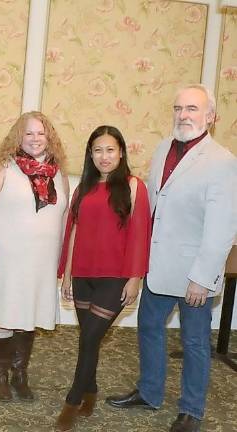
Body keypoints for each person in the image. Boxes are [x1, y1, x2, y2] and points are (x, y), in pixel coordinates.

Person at [106, 85, 237, 432]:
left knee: (194, 342)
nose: (183, 115)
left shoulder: (224, 162)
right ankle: (149, 393)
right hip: (159, 266)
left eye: (192, 109)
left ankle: (191, 410)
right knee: (148, 327)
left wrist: (203, 276)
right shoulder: (165, 147)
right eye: (178, 108)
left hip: (194, 274)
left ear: (210, 116)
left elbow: (222, 228)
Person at [54, 125, 151, 431]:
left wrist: (135, 277)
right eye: (98, 150)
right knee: (89, 339)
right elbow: (74, 232)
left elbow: (139, 235)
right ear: (90, 154)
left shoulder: (135, 187)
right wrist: (67, 275)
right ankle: (92, 391)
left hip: (115, 278)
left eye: (110, 150)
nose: (104, 156)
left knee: (89, 337)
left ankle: (72, 400)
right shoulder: (83, 188)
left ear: (121, 152)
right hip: (83, 274)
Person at [0, 111, 69, 402]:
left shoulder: (59, 174)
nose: (35, 139)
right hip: (7, 258)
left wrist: (64, 261)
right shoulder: (1, 167)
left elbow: (65, 217)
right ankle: (1, 375)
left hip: (42, 260)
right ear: (18, 136)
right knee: (5, 315)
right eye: (28, 133)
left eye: (41, 133)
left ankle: (20, 374)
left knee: (29, 315)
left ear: (49, 137)